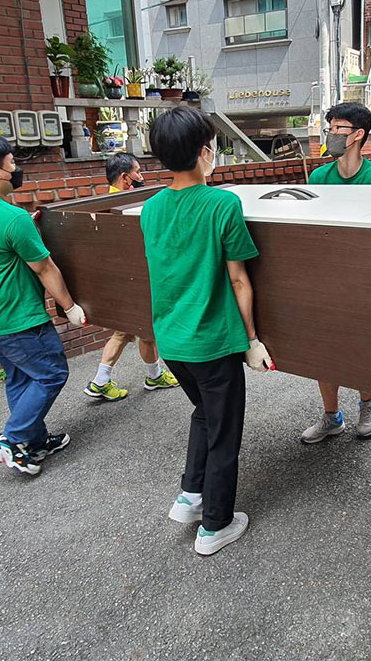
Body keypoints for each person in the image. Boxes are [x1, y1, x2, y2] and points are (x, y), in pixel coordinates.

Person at [141, 106, 273, 556]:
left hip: (172, 341)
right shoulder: (222, 204)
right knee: (224, 432)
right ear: (204, 151)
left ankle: (191, 494)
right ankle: (215, 526)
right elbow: (239, 279)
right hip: (213, 344)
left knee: (204, 413)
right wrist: (252, 340)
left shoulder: (151, 209)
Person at [0, 133, 87, 476]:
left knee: (21, 377)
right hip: (18, 319)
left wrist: (27, 225)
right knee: (51, 374)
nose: (16, 169)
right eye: (12, 163)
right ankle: (11, 441)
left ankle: (35, 442)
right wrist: (70, 307)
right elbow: (45, 268)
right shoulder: (12, 218)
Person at [301, 102, 371, 445]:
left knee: (360, 346)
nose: (331, 135)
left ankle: (368, 403)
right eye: (330, 129)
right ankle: (331, 416)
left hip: (362, 277)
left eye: (337, 129)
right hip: (324, 276)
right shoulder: (319, 178)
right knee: (324, 347)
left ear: (357, 135)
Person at [83, 153, 179, 402]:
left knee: (131, 331)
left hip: (119, 281)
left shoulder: (103, 202)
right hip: (132, 280)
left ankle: (112, 379)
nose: (141, 177)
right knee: (135, 330)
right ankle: (110, 380)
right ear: (126, 178)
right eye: (138, 172)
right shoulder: (126, 206)